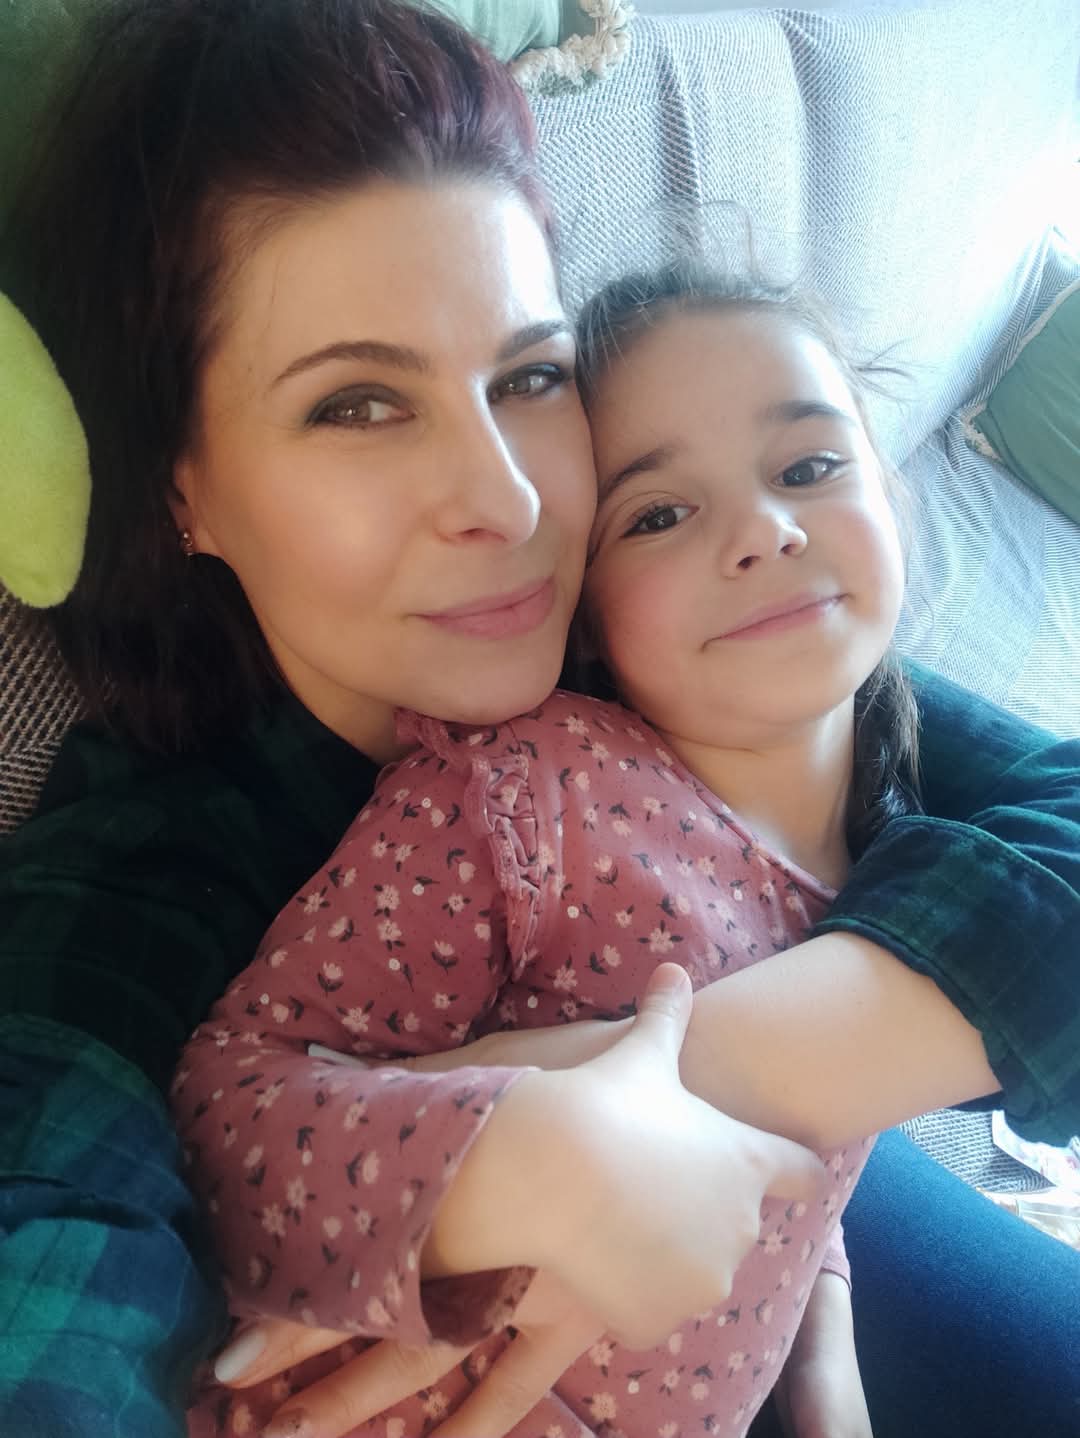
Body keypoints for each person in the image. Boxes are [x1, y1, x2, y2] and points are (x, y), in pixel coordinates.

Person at [0, 2, 1077, 1437]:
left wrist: (702, 1100)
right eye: (359, 406)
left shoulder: (643, 621)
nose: (508, 502)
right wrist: (487, 1165)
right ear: (179, 488)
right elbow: (52, 1258)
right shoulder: (138, 872)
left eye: (528, 376)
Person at [175, 262, 922, 1437]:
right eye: (658, 514)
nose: (763, 531)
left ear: (891, 487)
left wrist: (827, 1360)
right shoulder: (530, 794)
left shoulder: (904, 876)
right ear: (585, 593)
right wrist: (512, 1156)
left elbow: (820, 1128)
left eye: (809, 467)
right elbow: (222, 1116)